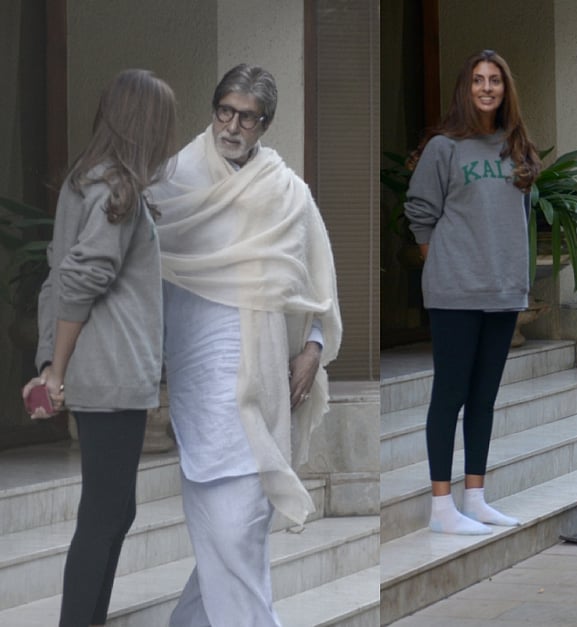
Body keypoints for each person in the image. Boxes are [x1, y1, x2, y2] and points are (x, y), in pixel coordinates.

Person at [149, 64, 342, 626]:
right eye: (224, 112)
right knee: (231, 530)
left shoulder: (286, 191)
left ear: (265, 124)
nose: (232, 126)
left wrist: (311, 347)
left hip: (267, 381)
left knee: (243, 527)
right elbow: (144, 272)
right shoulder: (174, 180)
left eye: (246, 117)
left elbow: (314, 279)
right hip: (202, 381)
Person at [23, 69, 177, 627]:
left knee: (112, 510)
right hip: (111, 377)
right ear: (146, 124)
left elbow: (56, 279)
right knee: (106, 513)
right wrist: (55, 371)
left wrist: (47, 364)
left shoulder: (82, 183)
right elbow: (81, 278)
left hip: (102, 374)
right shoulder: (118, 190)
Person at [404, 49, 540, 535]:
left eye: (496, 81)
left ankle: (476, 497)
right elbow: (421, 213)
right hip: (456, 291)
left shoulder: (516, 146)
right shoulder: (445, 147)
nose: (487, 88)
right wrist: (441, 265)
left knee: (483, 398)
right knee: (450, 396)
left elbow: (519, 221)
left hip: (503, 291)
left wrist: (513, 277)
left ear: (506, 90)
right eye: (479, 80)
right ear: (466, 88)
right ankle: (442, 508)